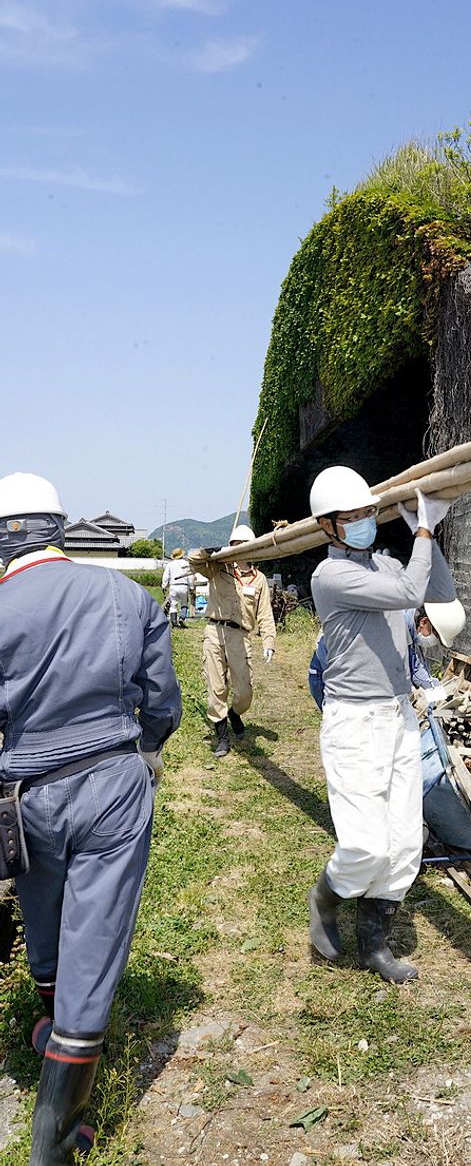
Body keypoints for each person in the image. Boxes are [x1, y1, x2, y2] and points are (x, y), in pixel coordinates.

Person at [0, 472, 182, 1164]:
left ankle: (46, 1024)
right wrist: (147, 748)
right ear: (59, 526)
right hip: (109, 779)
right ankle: (57, 1137)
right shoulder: (122, 595)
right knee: (96, 932)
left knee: (40, 903)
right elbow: (160, 700)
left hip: (23, 792)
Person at [307, 466, 457, 983]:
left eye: (368, 513)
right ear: (328, 527)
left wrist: (426, 532)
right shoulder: (331, 576)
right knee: (365, 843)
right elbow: (405, 591)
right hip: (355, 721)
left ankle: (375, 945)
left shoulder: (387, 565)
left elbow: (434, 587)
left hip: (398, 715)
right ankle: (325, 898)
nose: (364, 522)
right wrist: (422, 529)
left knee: (402, 841)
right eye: (350, 518)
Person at [189, 525, 276, 759]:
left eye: (244, 545)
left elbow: (265, 613)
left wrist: (269, 641)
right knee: (217, 687)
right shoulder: (217, 569)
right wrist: (206, 552)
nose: (240, 549)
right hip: (215, 631)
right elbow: (193, 561)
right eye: (235, 545)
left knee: (244, 691)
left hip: (241, 636)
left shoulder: (259, 580)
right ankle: (222, 735)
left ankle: (235, 713)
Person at [307, 599, 467, 711]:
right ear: (423, 622)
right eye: (435, 634)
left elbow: (413, 664)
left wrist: (433, 687)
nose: (433, 640)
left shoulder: (407, 623)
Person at [161, 547, 192, 628]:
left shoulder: (170, 564)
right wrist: (191, 587)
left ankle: (174, 623)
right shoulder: (186, 563)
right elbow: (190, 576)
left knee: (173, 605)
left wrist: (164, 586)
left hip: (173, 586)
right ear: (182, 555)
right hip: (184, 586)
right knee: (184, 603)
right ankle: (182, 618)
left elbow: (166, 576)